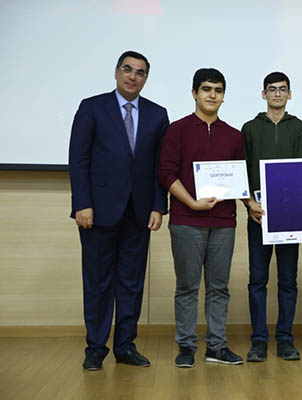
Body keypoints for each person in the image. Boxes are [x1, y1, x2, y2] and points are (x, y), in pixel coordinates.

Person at [69, 50, 169, 371]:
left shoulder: (157, 114)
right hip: (97, 212)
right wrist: (81, 203)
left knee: (131, 283)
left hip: (139, 213)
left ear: (145, 79)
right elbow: (78, 159)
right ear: (116, 72)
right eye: (127, 69)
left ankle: (125, 346)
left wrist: (158, 206)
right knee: (97, 283)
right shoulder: (92, 107)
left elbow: (159, 166)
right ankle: (96, 348)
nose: (132, 76)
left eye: (140, 72)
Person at [158, 68, 244, 368]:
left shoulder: (234, 135)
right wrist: (192, 203)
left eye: (218, 90)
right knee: (187, 287)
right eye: (206, 89)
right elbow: (166, 173)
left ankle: (217, 347)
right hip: (186, 220)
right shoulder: (177, 130)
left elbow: (239, 179)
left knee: (219, 288)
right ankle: (186, 346)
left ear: (223, 96)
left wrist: (252, 204)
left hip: (224, 223)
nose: (212, 95)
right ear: (194, 93)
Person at [241, 72, 302, 362]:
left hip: (289, 218)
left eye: (282, 89)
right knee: (257, 280)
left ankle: (285, 340)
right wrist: (249, 204)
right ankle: (258, 341)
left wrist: (293, 208)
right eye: (272, 89)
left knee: (288, 281)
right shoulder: (250, 128)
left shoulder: (299, 127)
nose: (277, 94)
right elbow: (242, 171)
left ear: (289, 94)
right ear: (264, 94)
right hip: (258, 216)